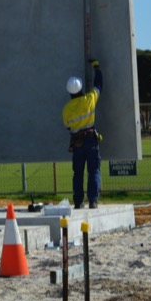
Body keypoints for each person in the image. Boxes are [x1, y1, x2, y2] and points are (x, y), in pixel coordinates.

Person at [62, 59, 103, 209]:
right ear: (81, 89)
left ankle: (78, 202)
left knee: (77, 173)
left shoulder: (66, 109)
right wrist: (97, 68)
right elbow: (98, 85)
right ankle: (93, 200)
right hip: (91, 141)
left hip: (77, 143)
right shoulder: (89, 100)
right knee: (93, 170)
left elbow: (68, 127)